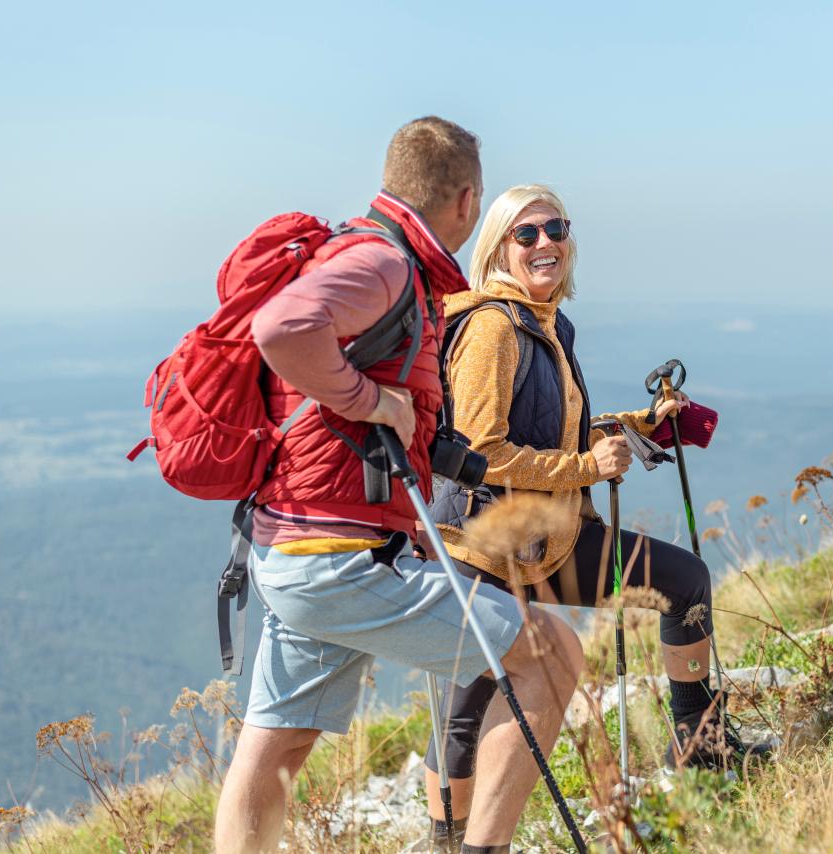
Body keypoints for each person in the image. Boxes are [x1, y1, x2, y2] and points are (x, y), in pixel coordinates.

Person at [214, 122, 583, 854]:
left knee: (276, 750)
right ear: (468, 199)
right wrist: (370, 401)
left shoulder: (363, 250)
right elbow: (282, 327)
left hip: (292, 548)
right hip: (337, 557)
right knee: (552, 656)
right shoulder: (384, 262)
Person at [425, 183, 770, 841]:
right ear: (498, 248)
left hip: (546, 542)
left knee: (683, 582)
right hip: (477, 543)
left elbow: (545, 429)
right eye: (526, 234)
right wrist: (588, 468)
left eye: (555, 227)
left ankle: (700, 748)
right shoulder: (495, 326)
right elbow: (478, 451)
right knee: (465, 709)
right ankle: (447, 841)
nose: (546, 242)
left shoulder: (546, 321)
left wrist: (641, 426)